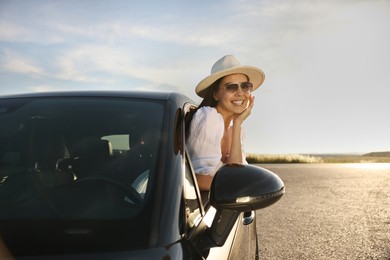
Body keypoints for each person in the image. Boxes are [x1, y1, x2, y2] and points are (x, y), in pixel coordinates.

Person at [186, 54, 265, 191]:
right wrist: (232, 187)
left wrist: (238, 122)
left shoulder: (236, 129)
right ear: (216, 94)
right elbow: (198, 179)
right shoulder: (208, 118)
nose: (240, 93)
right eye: (231, 87)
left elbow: (235, 176)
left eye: (245, 86)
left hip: (222, 204)